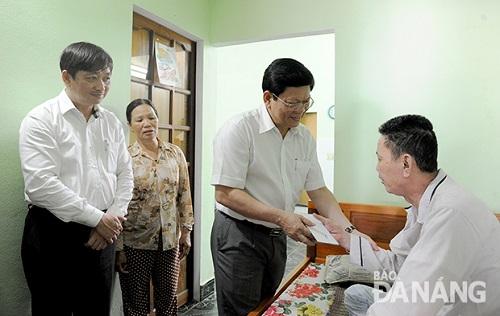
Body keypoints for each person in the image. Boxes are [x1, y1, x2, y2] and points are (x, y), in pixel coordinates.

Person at [210, 58, 371, 315]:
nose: (301, 110)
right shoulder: (239, 130)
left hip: (276, 237)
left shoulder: (303, 137)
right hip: (239, 234)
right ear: (268, 97)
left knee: (267, 306)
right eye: (292, 103)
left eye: (306, 101)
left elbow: (318, 191)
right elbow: (226, 193)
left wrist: (349, 230)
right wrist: (283, 218)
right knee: (241, 311)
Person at [314, 114, 500, 315]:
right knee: (356, 294)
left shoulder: (450, 213)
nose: (377, 167)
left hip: (453, 308)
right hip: (434, 298)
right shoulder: (426, 202)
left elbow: (410, 305)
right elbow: (399, 265)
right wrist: (348, 241)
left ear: (405, 164)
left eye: (379, 159)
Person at [19, 42, 134, 315]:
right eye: (91, 78)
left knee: (96, 309)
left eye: (106, 78)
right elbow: (41, 185)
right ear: (66, 77)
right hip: (54, 232)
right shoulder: (41, 119)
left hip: (104, 233)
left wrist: (113, 218)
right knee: (52, 308)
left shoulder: (111, 121)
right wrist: (98, 219)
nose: (101, 86)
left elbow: (125, 173)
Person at [115, 98, 194, 315]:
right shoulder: (125, 158)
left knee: (168, 299)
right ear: (130, 125)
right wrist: (119, 248)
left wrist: (186, 232)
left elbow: (184, 193)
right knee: (135, 303)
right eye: (139, 119)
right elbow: (118, 204)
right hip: (135, 242)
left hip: (169, 241)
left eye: (151, 117)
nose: (147, 123)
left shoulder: (174, 153)